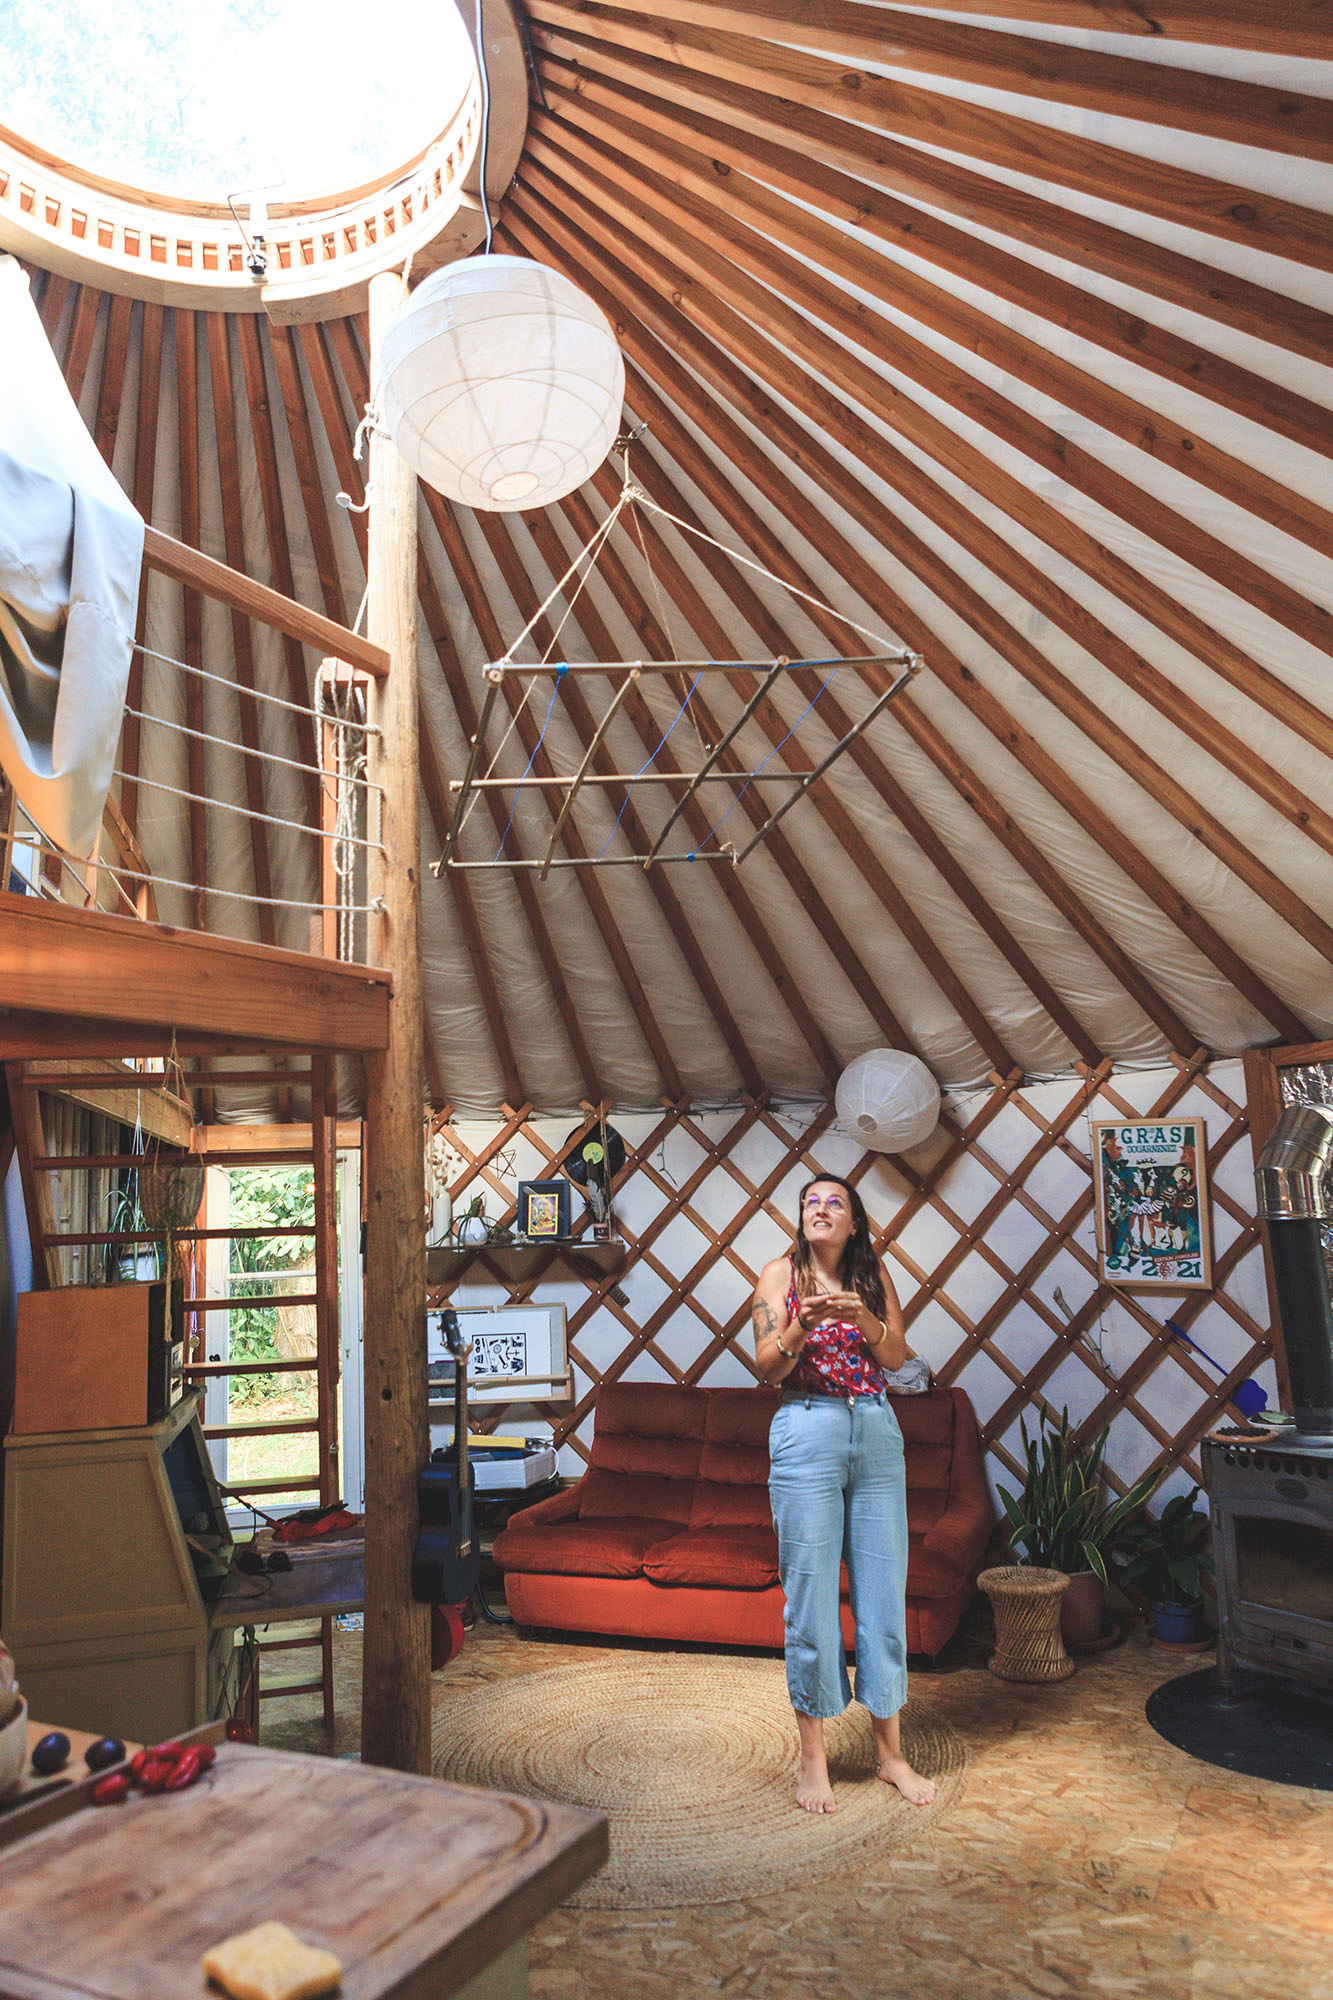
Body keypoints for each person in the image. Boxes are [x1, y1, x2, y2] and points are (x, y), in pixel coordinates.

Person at [752, 1174, 936, 1816]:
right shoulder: (779, 1275)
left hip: (876, 1429)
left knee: (883, 1593)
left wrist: (867, 1321)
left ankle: (891, 1756)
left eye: (835, 1202)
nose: (821, 1209)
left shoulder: (871, 1276)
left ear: (854, 1222)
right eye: (812, 1201)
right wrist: (799, 1328)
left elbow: (897, 1358)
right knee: (809, 1598)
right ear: (801, 1217)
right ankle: (814, 1758)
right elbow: (766, 1366)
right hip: (808, 1427)